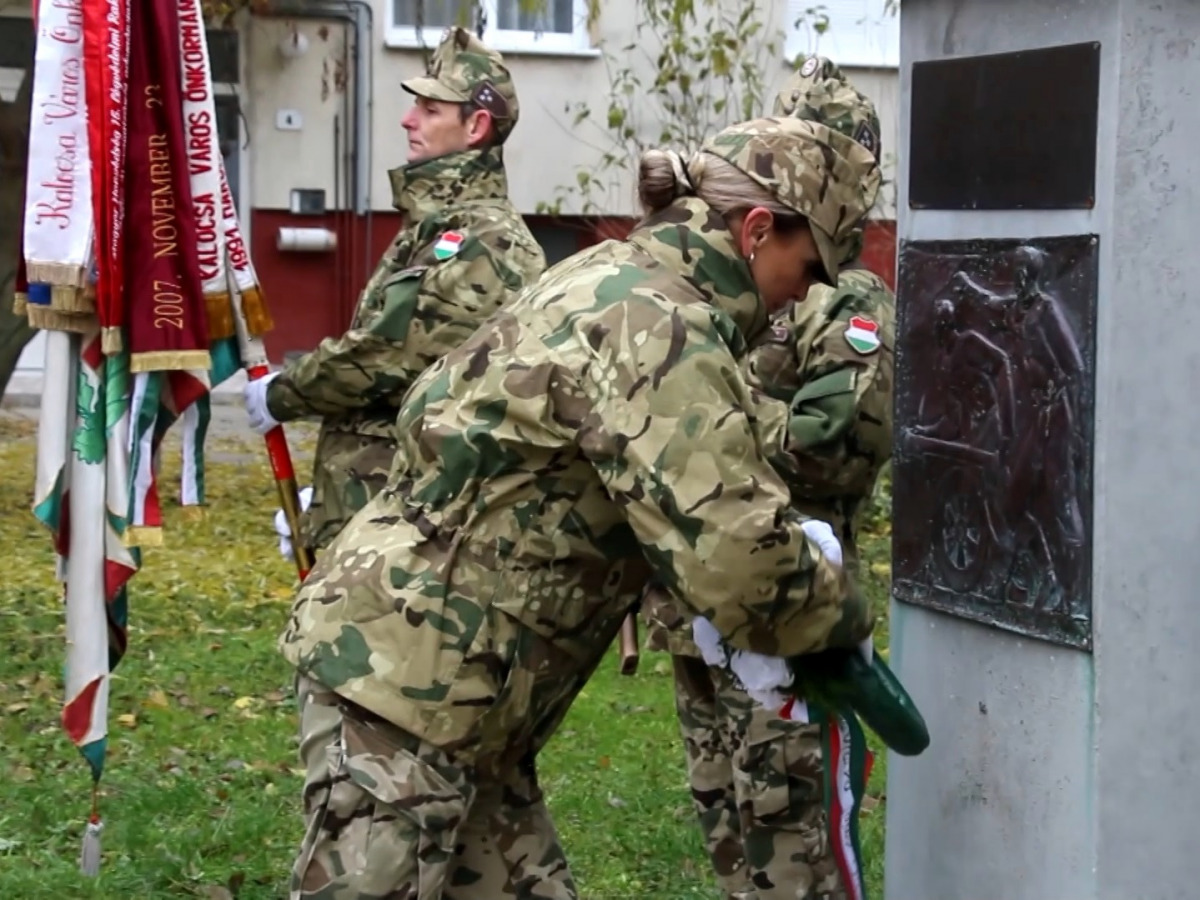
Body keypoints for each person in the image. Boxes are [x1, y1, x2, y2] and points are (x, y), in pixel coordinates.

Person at [278, 115, 882, 899]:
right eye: (806, 268)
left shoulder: (614, 278)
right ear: (758, 230)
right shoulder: (657, 323)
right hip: (402, 693)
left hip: (453, 695)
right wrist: (842, 622)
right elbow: (739, 558)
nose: (806, 293)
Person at [642, 57, 898, 900]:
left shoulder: (849, 300)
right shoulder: (720, 272)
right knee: (726, 826)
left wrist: (708, 413)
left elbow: (839, 441)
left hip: (786, 609)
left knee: (796, 845)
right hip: (696, 607)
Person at [242, 26, 546, 560]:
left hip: (414, 538)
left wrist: (284, 393)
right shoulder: (436, 226)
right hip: (381, 513)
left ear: (475, 126)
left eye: (431, 109)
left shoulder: (486, 240)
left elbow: (393, 356)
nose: (409, 119)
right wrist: (336, 496)